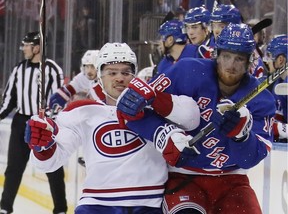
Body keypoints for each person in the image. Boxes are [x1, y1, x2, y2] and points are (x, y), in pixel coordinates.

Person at [117, 23, 276, 213]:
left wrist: (240, 135)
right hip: (184, 178)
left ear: (250, 61)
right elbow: (131, 110)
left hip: (233, 182)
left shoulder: (262, 99)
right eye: (226, 56)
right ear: (217, 54)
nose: (231, 65)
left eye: (239, 59)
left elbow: (249, 159)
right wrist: (164, 135)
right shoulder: (187, 71)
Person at [24, 42, 171, 214]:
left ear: (135, 75)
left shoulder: (157, 109)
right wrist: (43, 148)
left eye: (126, 72)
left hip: (148, 204)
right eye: (112, 73)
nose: (119, 78)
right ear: (100, 77)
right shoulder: (82, 113)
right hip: (97, 205)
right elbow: (49, 164)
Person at [0, 31, 67, 214]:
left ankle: (60, 209)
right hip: (21, 123)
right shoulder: (18, 69)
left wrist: (51, 123)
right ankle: (5, 208)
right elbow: (9, 99)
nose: (24, 49)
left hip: (44, 124)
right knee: (14, 167)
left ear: (36, 47)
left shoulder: (52, 70)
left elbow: (58, 101)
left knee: (53, 167)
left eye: (27, 45)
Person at [266, 34, 288, 142]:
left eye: (269, 56)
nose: (267, 61)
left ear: (280, 60)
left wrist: (275, 128)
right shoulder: (279, 82)